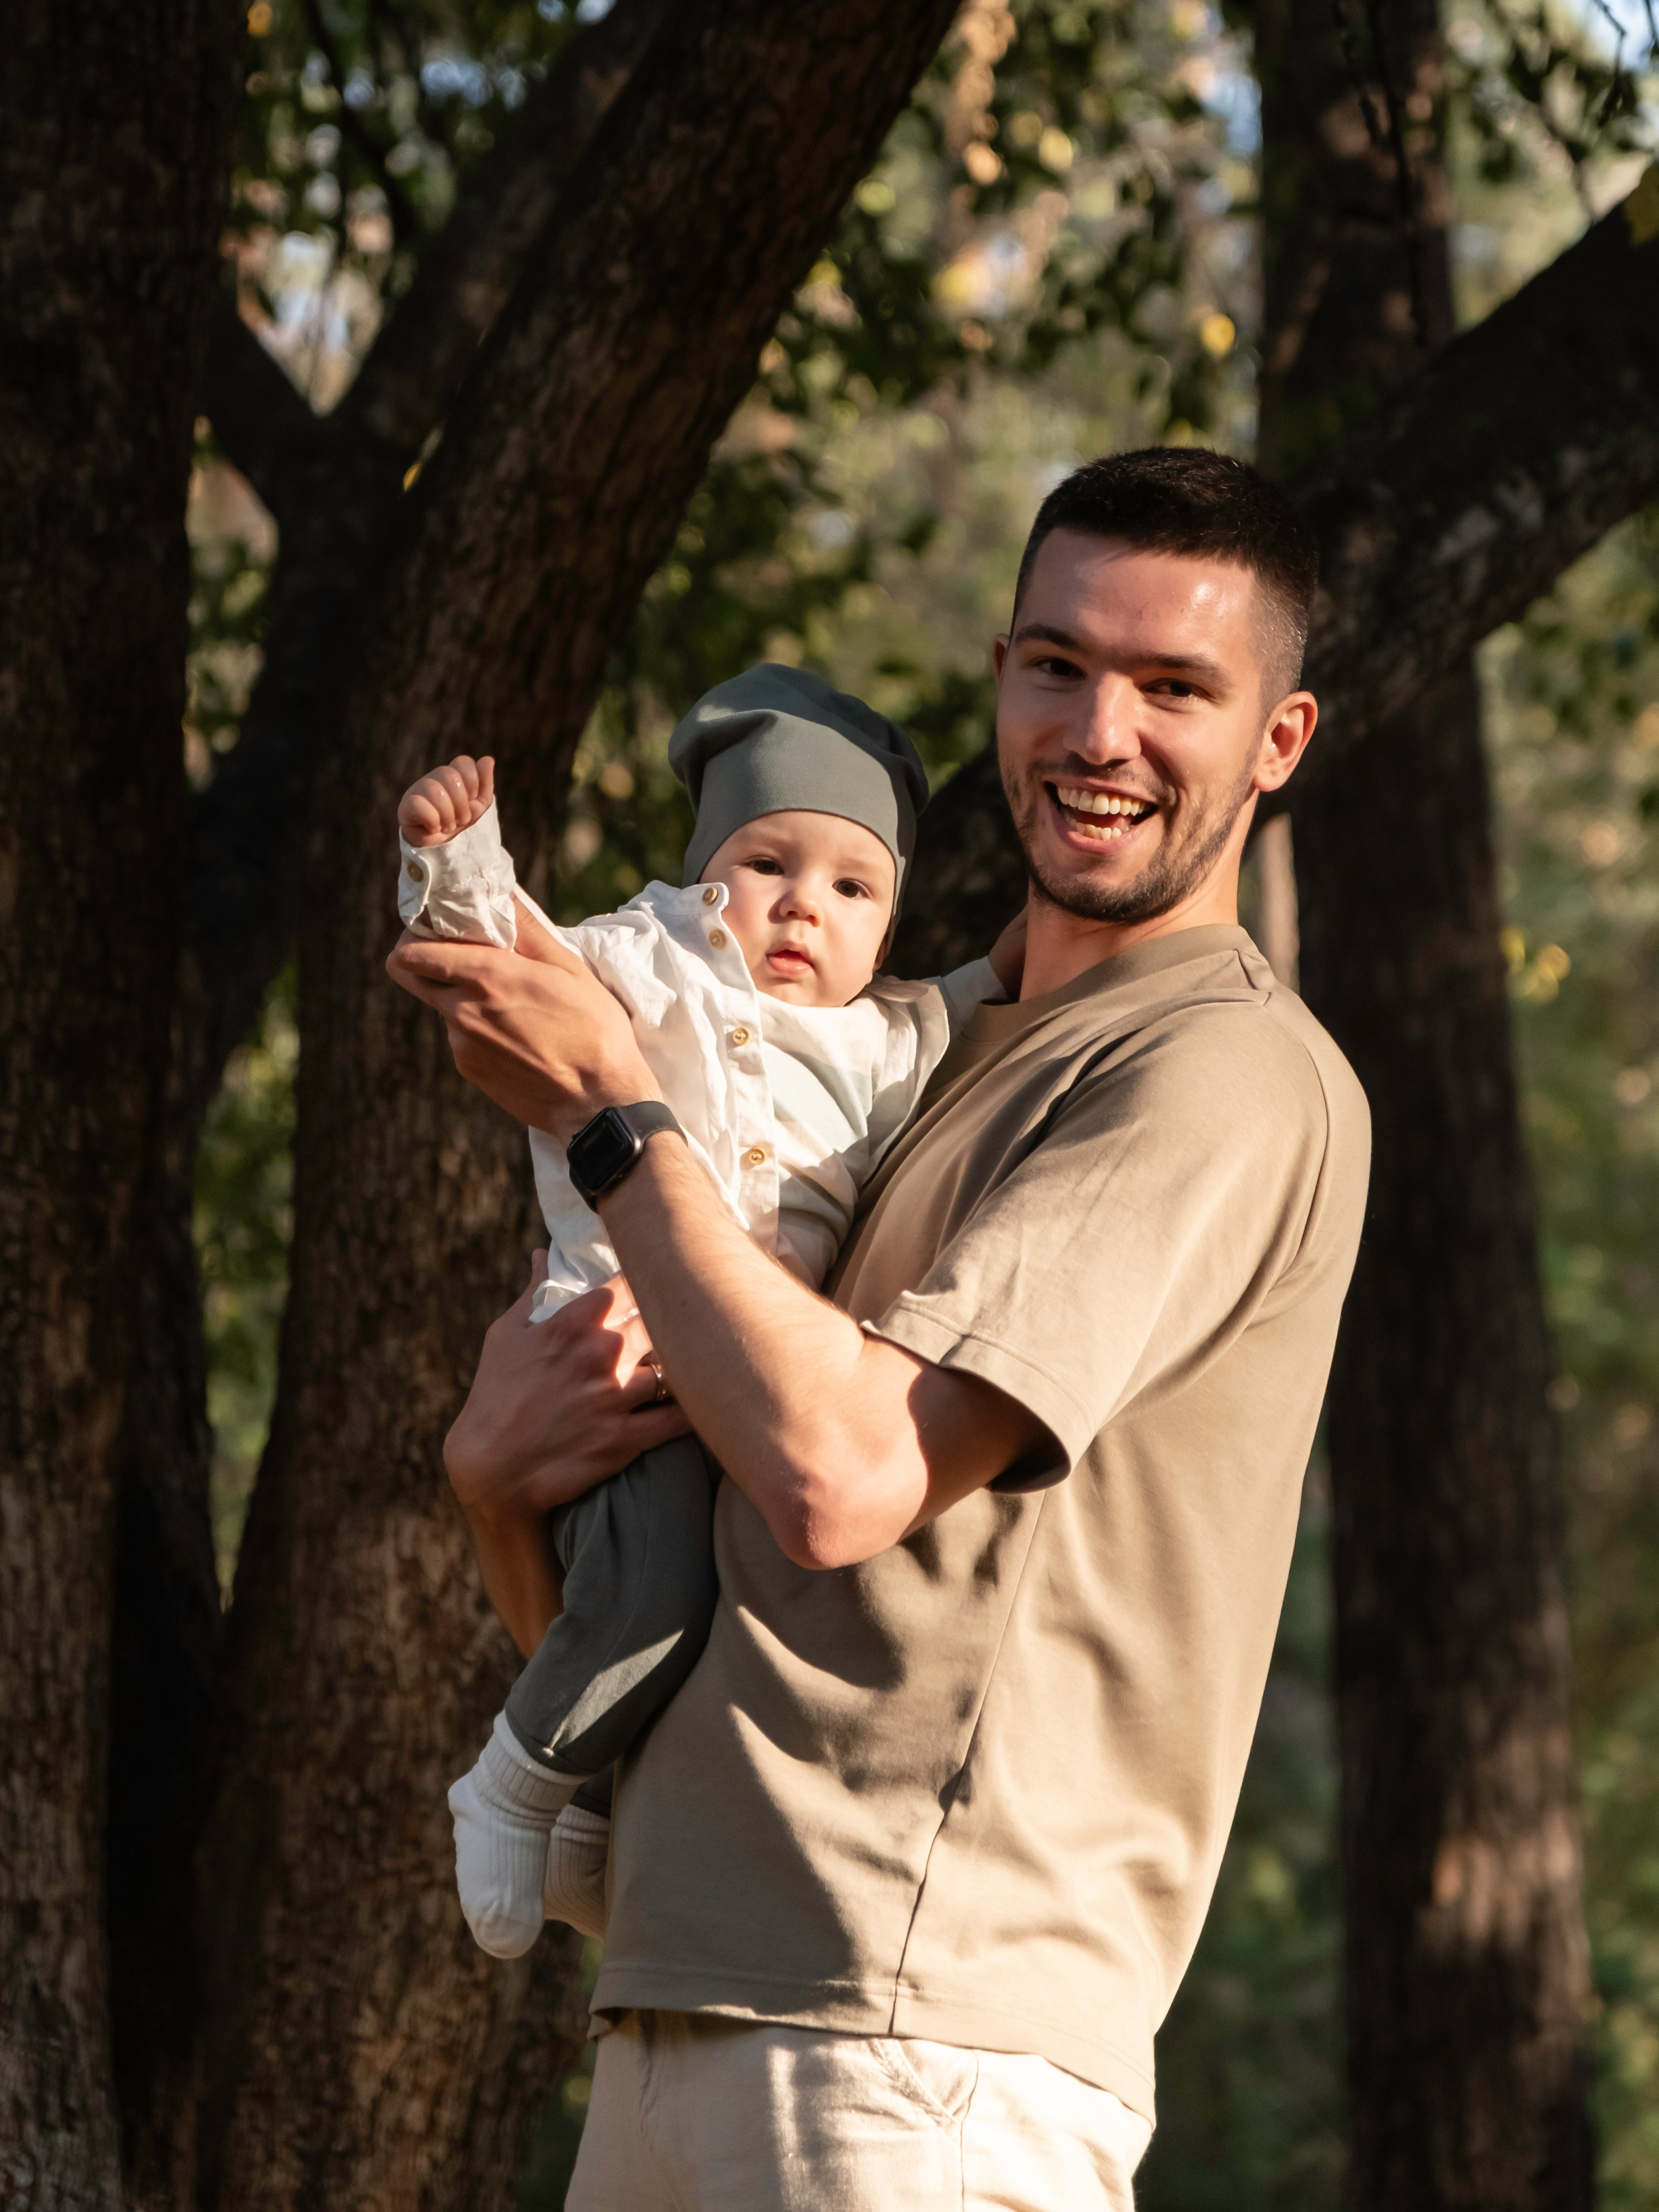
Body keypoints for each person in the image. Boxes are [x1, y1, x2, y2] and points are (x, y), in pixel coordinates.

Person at [388, 447, 1371, 2212]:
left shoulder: (1212, 1066)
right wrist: (490, 1486)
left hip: (919, 2059)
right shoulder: (893, 1052)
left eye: (1175, 688)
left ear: (1277, 741)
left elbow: (845, 1477)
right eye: (1061, 663)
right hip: (683, 1994)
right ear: (999, 675)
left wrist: (619, 1120)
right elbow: (715, 1588)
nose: (1101, 731)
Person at [395, 666, 1021, 1957]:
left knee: (715, 1604)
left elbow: (992, 987)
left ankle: (576, 1814)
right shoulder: (643, 958)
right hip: (614, 1350)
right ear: (703, 879)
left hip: (746, 1385)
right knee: (654, 1595)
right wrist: (456, 860)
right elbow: (501, 960)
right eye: (768, 862)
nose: (805, 905)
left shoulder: (884, 1038)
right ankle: (510, 1780)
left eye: (853, 887)